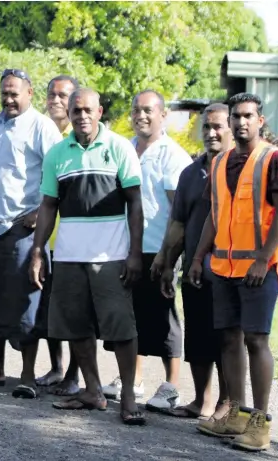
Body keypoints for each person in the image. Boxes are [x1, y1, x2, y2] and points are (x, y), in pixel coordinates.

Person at [30, 88, 146, 425]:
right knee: (75, 325)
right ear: (68, 111)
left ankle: (127, 395)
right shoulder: (56, 154)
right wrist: (38, 251)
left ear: (100, 111)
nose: (81, 116)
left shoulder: (119, 147)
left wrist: (134, 253)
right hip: (68, 255)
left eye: (87, 110)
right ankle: (93, 390)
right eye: (75, 110)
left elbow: (135, 203)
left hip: (111, 255)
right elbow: (48, 205)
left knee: (120, 326)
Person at [189, 93, 278, 452]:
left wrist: (264, 259)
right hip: (224, 268)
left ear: (260, 120)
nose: (241, 122)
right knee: (229, 339)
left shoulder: (275, 159)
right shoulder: (219, 164)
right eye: (236, 116)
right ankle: (234, 413)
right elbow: (213, 216)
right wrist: (197, 257)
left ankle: (260, 423)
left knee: (256, 340)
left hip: (259, 269)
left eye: (248, 115)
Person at [0, 69, 62, 399]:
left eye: (15, 93)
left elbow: (60, 172)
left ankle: (26, 374)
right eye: (4, 93)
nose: (8, 99)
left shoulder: (41, 126)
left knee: (27, 303)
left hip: (22, 228)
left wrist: (40, 212)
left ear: (30, 93)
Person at [101, 90, 192, 412]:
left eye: (148, 110)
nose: (141, 116)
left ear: (162, 115)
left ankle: (171, 386)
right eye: (136, 110)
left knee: (164, 318)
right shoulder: (124, 147)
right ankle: (133, 379)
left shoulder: (172, 155)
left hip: (158, 249)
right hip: (125, 248)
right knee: (131, 315)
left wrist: (169, 257)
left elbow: (177, 211)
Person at [157, 104, 232, 420]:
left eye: (218, 126)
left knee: (227, 338)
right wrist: (166, 262)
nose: (211, 133)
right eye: (206, 127)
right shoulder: (190, 173)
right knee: (198, 336)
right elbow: (178, 223)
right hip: (195, 270)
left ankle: (227, 404)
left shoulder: (239, 169)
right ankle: (202, 400)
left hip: (231, 271)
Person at [35, 75, 81, 397]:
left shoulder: (77, 136)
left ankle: (75, 375)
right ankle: (56, 367)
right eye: (52, 93)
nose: (56, 100)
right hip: (48, 236)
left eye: (63, 95)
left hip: (77, 238)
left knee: (76, 311)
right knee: (51, 308)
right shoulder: (42, 132)